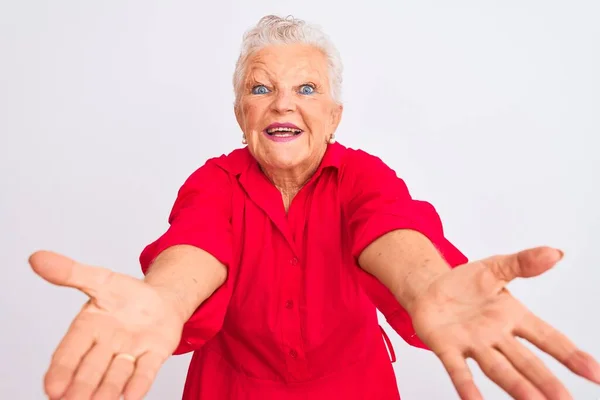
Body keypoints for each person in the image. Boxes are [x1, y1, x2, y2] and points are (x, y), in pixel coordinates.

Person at [29, 14, 599, 400]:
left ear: (334, 115)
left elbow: (391, 228)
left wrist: (427, 286)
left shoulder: (364, 176)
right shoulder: (214, 181)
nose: (283, 103)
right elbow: (196, 244)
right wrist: (163, 298)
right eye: (261, 89)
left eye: (307, 89)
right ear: (240, 113)